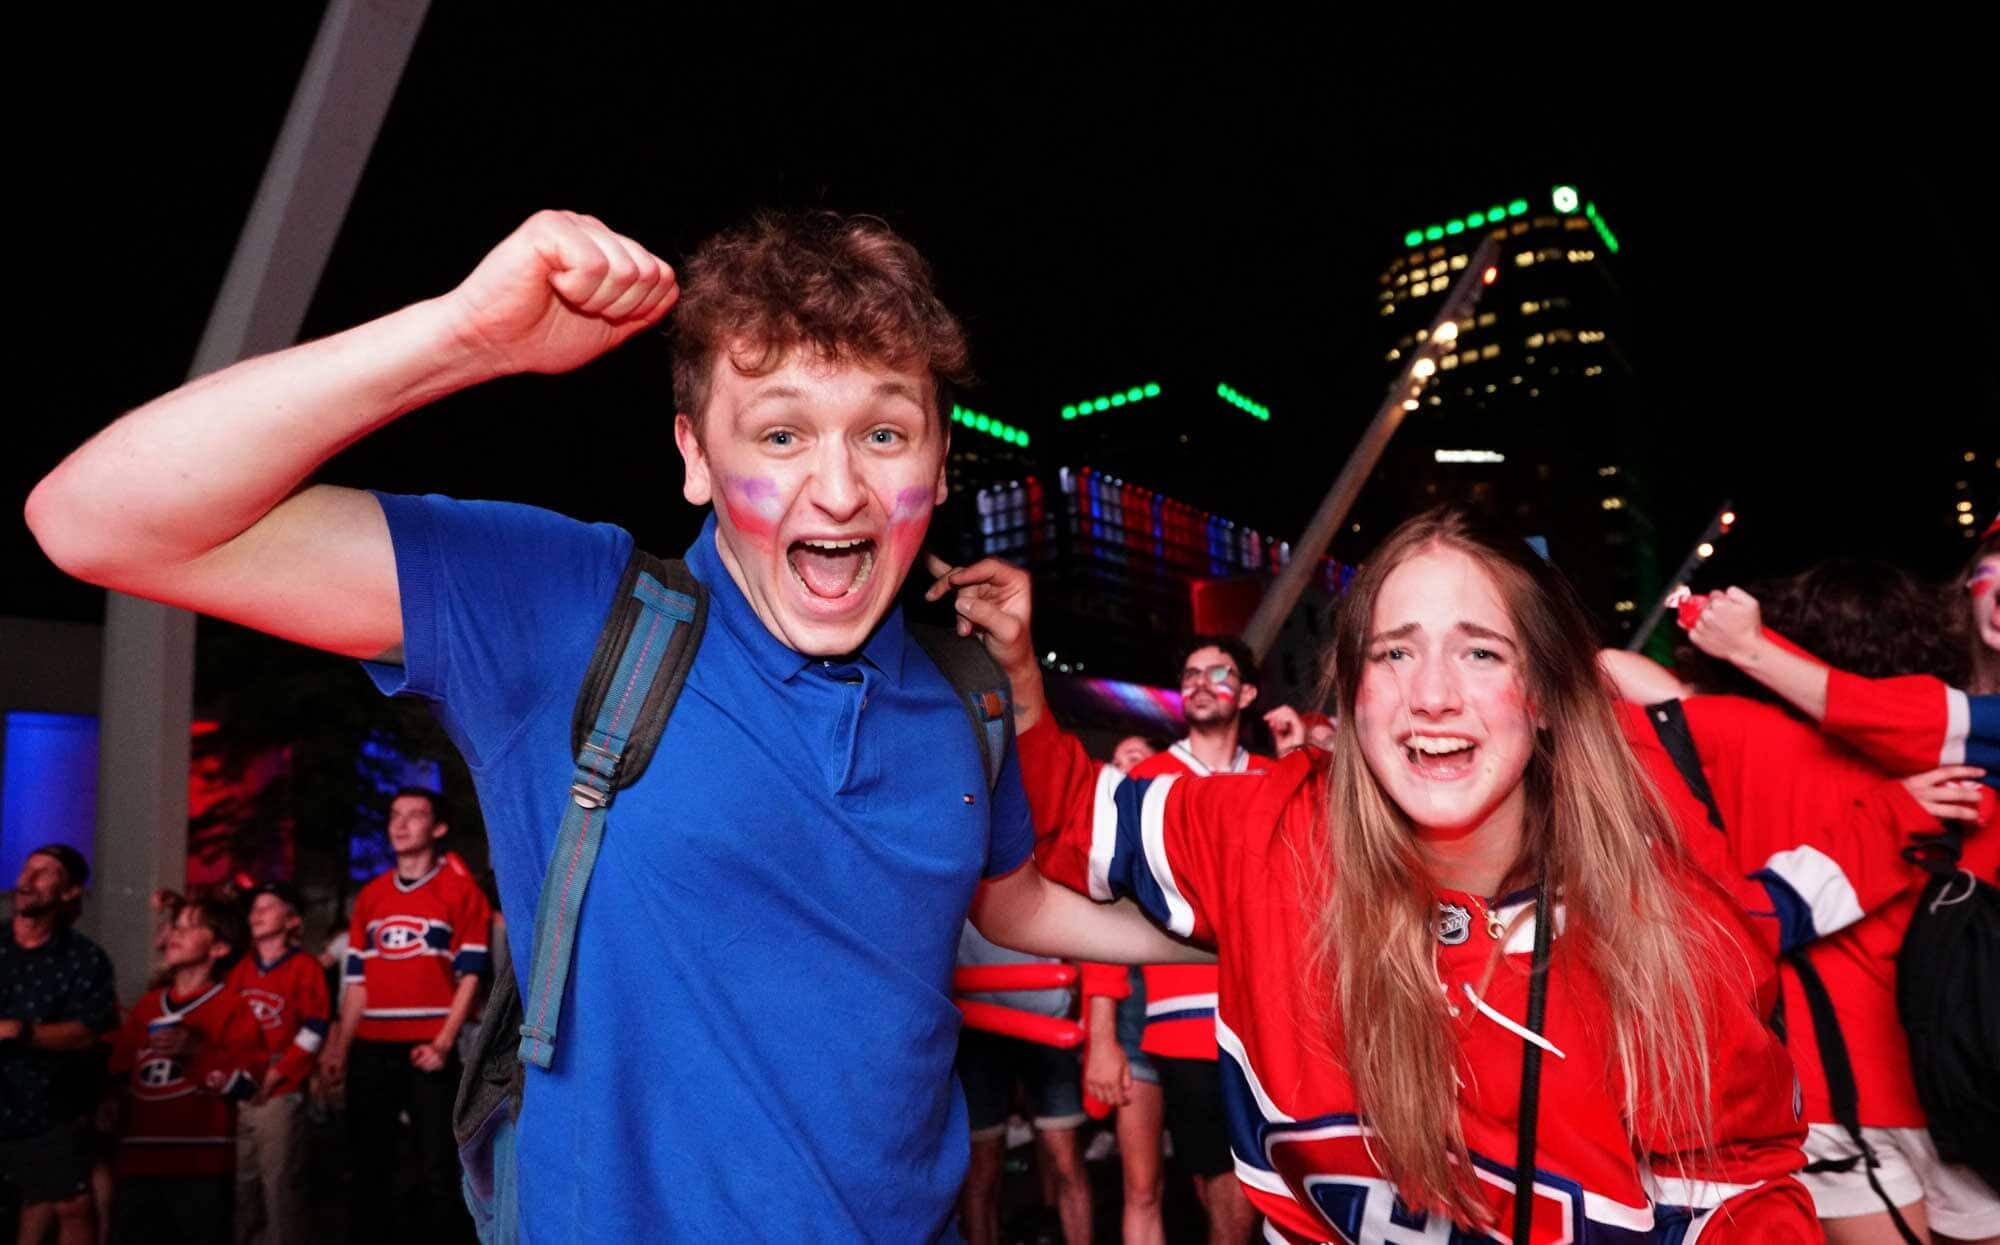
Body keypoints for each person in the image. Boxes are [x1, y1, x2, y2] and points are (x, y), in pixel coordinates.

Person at [27, 208, 1192, 1242]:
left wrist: (1225, 940)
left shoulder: (962, 694)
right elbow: (95, 521)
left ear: (937, 462)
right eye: (780, 434)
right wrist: (461, 338)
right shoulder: (570, 615)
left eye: (884, 435)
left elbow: (1001, 901)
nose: (838, 490)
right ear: (694, 458)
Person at [931, 507, 1820, 1244]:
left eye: (1481, 651)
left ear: (1547, 692)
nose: (1432, 693)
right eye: (1394, 652)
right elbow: (1067, 821)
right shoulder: (1271, 830)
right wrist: (1016, 670)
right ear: (1351, 692)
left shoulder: (1668, 923)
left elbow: (1746, 1201)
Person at [1684, 566, 2000, 1245]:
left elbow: (1610, 676)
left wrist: (1740, 643)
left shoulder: (1721, 731)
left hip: (1830, 1092)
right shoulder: (1963, 764)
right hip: (1960, 1084)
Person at [318, 790, 488, 1242]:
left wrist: (444, 1044)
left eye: (415, 815)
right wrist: (340, 1048)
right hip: (371, 1048)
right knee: (368, 1165)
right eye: (395, 815)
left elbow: (470, 977)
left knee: (437, 1169)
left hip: (428, 1047)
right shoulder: (371, 896)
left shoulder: (460, 891)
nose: (401, 823)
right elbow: (357, 983)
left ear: (438, 828)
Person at [104, 899, 263, 1245]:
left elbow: (249, 1087)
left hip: (200, 1165)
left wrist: (196, 1053)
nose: (177, 932)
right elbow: (119, 1071)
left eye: (192, 926)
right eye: (176, 924)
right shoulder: (149, 1004)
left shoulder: (232, 1007)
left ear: (219, 948)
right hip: (138, 1160)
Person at [0, 847, 118, 1245]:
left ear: (69, 892)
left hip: (43, 1103)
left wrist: (23, 1032)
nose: (28, 879)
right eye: (27, 869)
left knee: (72, 1204)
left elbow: (88, 1030)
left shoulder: (83, 958)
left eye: (45, 872)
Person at [953, 924, 1090, 1245]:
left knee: (1066, 1158)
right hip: (977, 1022)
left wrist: (1082, 1005)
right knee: (981, 1170)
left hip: (1046, 1017)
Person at [225, 882, 329, 1245]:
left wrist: (278, 1073)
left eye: (268, 906)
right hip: (241, 1087)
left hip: (280, 1091)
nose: (257, 913)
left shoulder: (304, 967)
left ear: (291, 920)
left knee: (279, 1184)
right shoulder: (241, 968)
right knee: (243, 1183)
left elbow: (314, 1027)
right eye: (255, 908)